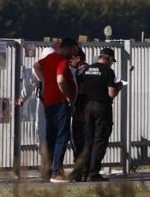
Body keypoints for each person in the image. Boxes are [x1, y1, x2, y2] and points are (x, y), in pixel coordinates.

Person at [71, 48, 120, 182]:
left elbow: (81, 89)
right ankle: (93, 173)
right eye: (111, 61)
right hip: (102, 108)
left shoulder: (87, 70)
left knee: (88, 140)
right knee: (100, 140)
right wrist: (119, 87)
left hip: (88, 107)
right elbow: (111, 93)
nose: (111, 64)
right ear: (108, 59)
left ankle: (85, 171)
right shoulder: (108, 71)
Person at [33, 38, 78, 183]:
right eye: (73, 50)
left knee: (50, 137)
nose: (74, 54)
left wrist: (45, 81)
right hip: (60, 103)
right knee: (62, 137)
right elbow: (60, 80)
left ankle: (46, 170)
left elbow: (36, 66)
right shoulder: (61, 61)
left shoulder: (49, 58)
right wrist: (69, 97)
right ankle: (56, 171)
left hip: (48, 103)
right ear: (67, 48)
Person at [68, 48, 89, 181]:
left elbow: (81, 90)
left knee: (78, 141)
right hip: (85, 110)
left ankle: (79, 172)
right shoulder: (87, 70)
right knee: (83, 141)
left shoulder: (81, 72)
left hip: (80, 109)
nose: (70, 61)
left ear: (79, 58)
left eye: (72, 58)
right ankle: (83, 171)